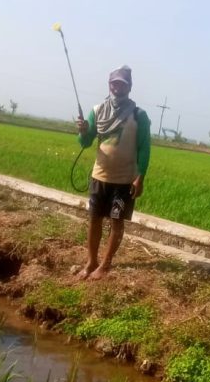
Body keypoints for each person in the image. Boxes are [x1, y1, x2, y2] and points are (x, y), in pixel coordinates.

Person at [74, 65, 152, 281]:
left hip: (124, 180)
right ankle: (91, 261)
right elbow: (86, 142)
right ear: (109, 85)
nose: (117, 87)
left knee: (116, 221)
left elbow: (145, 147)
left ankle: (106, 264)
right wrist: (82, 131)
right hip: (100, 177)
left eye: (122, 83)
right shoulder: (97, 110)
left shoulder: (139, 115)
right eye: (114, 83)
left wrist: (140, 176)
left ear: (129, 87)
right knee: (94, 219)